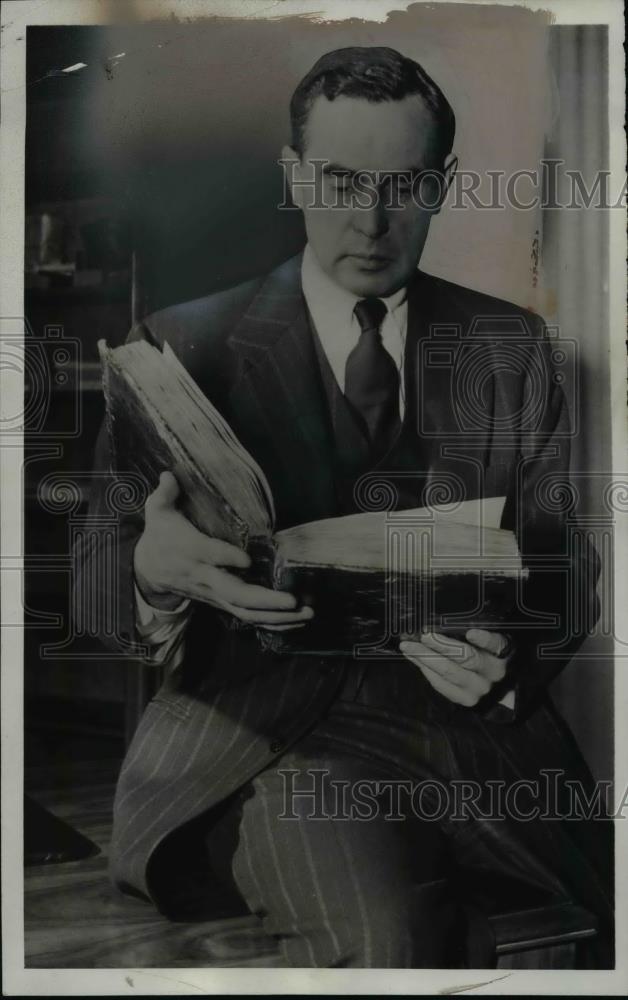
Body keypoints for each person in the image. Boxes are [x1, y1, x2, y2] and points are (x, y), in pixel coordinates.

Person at [77, 47, 612, 967]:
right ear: (293, 178)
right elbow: (91, 574)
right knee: (389, 943)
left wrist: (512, 648)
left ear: (444, 185)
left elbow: (569, 569)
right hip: (269, 748)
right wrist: (149, 571)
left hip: (483, 739)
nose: (369, 219)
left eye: (404, 183)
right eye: (338, 180)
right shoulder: (179, 344)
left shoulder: (509, 346)